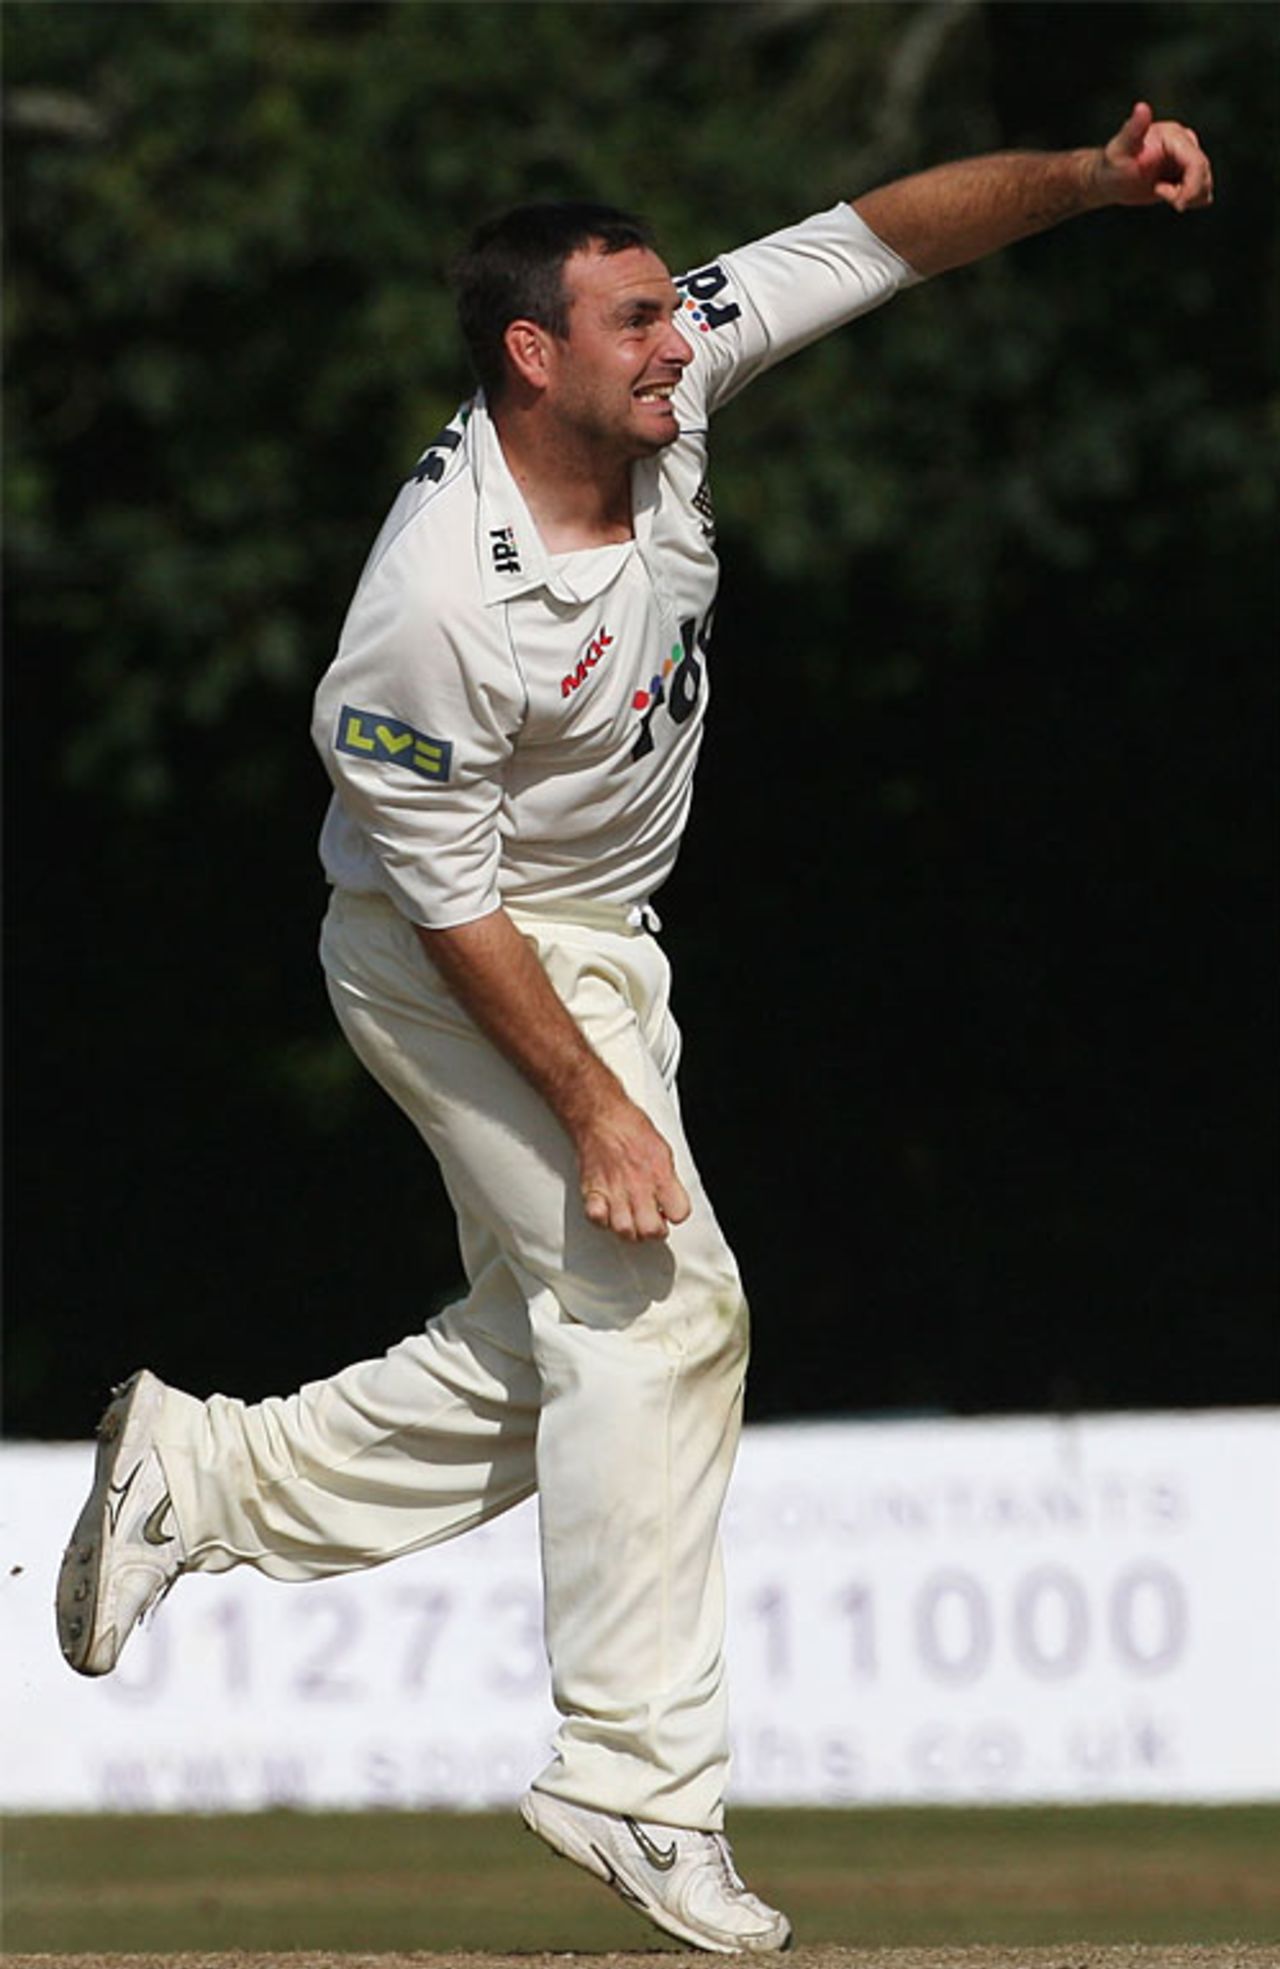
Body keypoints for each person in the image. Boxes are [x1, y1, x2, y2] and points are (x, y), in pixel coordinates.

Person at [57, 102, 1211, 1954]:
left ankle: (210, 1479)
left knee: (571, 1366)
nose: (683, 339)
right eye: (639, 320)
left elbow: (878, 237)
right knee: (669, 1313)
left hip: (600, 939)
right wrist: (599, 1107)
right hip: (454, 953)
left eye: (680, 308)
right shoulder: (433, 606)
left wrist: (1086, 178)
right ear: (534, 353)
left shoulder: (674, 378)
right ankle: (635, 1777)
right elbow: (450, 909)